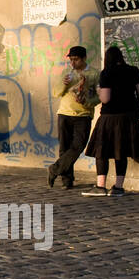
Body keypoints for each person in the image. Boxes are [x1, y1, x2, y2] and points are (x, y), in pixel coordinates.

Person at [83, 46, 139, 196]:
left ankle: (100, 187)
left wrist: (98, 91)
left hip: (109, 117)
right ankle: (118, 187)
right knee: (121, 151)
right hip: (128, 117)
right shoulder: (133, 70)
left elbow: (105, 98)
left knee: (101, 151)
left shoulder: (107, 73)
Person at [46, 46, 99, 189]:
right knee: (64, 147)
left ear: (84, 58)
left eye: (76, 59)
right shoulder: (67, 73)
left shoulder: (94, 74)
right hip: (64, 113)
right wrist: (63, 85)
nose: (73, 63)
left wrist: (87, 102)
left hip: (83, 115)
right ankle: (67, 181)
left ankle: (55, 169)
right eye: (71, 60)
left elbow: (99, 97)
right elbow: (56, 93)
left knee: (78, 145)